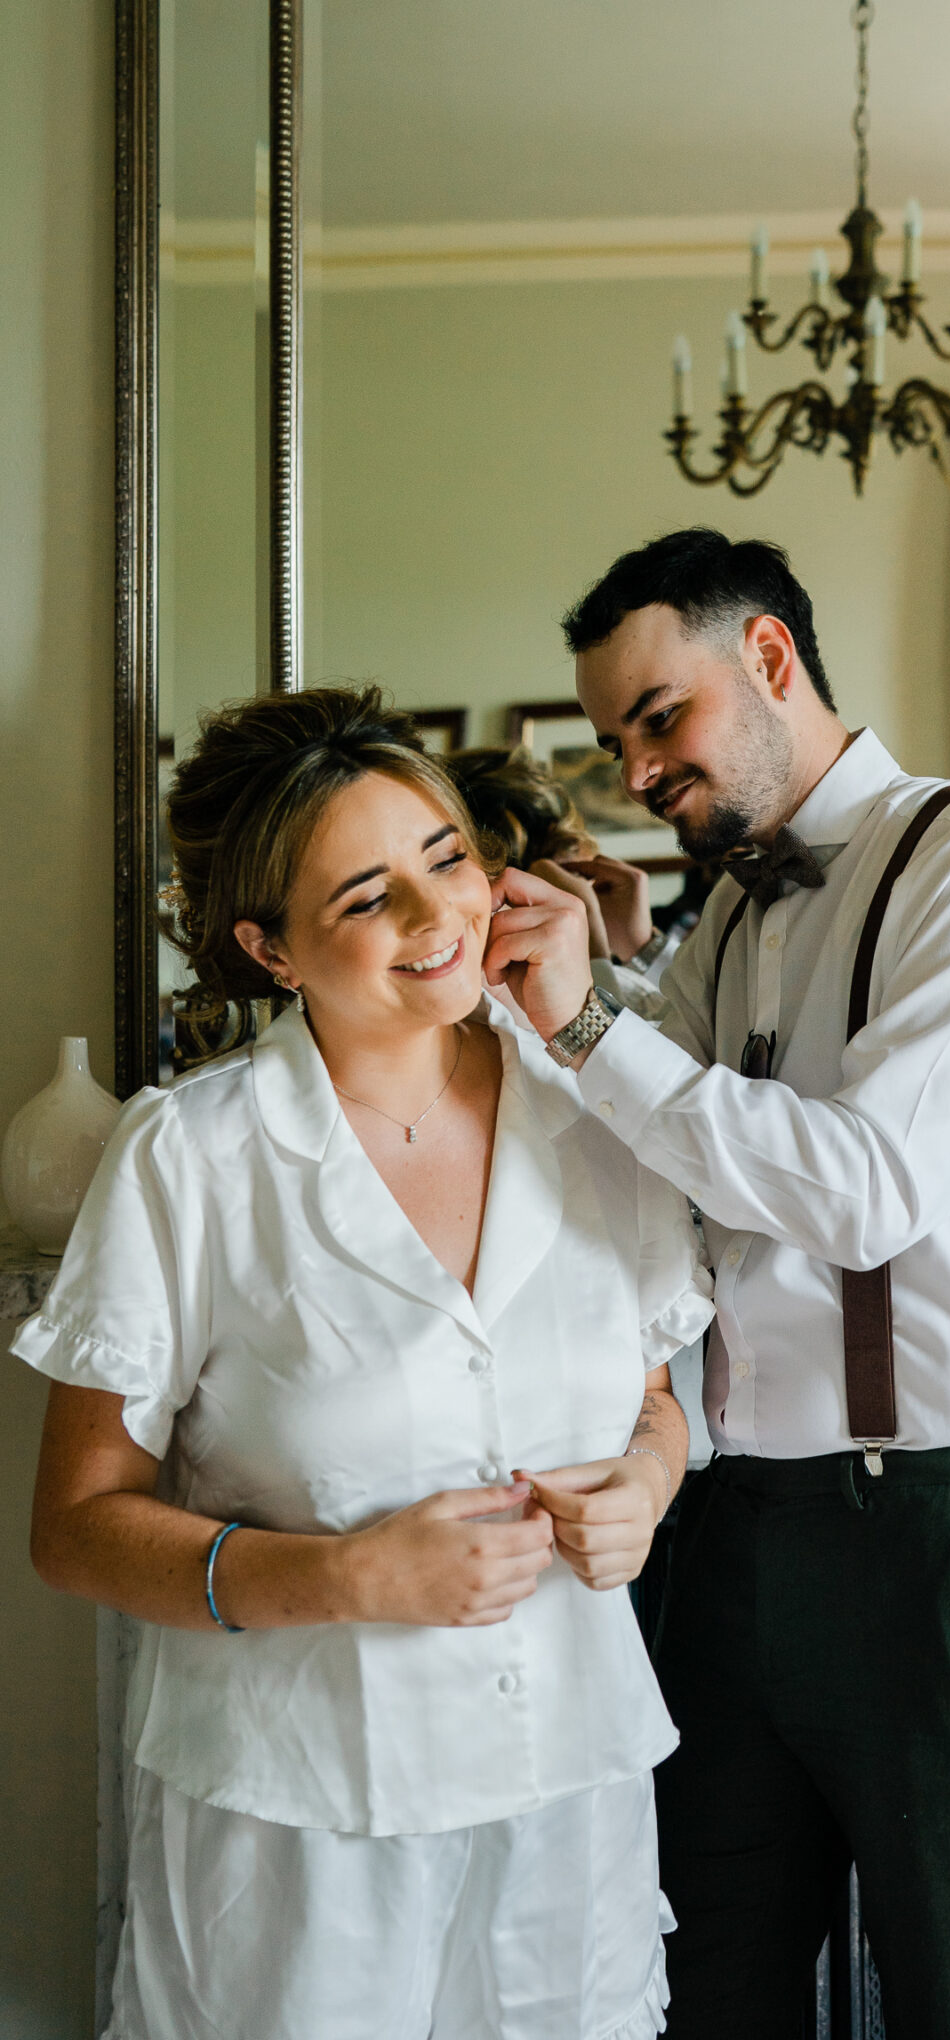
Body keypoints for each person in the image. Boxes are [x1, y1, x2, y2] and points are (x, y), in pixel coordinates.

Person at [488, 527, 950, 2040]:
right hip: (729, 1537)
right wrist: (587, 985)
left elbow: (860, 1191)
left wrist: (593, 1029)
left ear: (767, 658)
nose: (633, 771)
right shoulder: (735, 909)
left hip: (948, 1535)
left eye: (658, 718)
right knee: (699, 1998)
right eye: (610, 739)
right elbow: (667, 1173)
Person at [14, 687, 713, 2040]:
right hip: (298, 1824)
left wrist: (644, 1486)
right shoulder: (191, 1156)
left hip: (566, 1792)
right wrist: (340, 1575)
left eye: (445, 857)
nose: (434, 917)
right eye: (363, 897)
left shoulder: (593, 1113)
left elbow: (650, 1399)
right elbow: (75, 1529)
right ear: (269, 949)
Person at [445, 741, 670, 1021]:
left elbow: (702, 1047)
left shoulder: (628, 986)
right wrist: (594, 950)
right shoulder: (500, 1004)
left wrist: (643, 947)